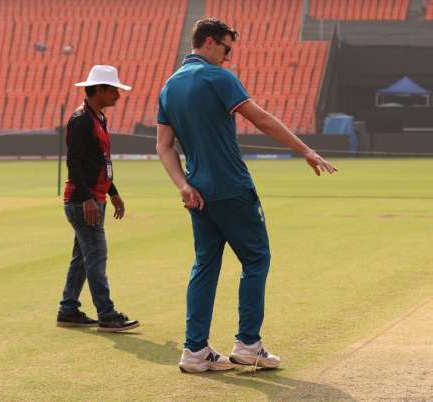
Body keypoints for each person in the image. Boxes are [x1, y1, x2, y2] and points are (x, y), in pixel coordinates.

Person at [156, 18, 338, 374]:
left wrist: (182, 184)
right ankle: (248, 345)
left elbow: (163, 146)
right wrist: (306, 150)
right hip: (231, 187)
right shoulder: (218, 78)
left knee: (204, 264)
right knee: (256, 259)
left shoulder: (169, 87)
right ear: (208, 43)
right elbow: (263, 120)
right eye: (226, 49)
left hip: (197, 190)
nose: (228, 57)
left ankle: (194, 351)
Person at [57, 65, 139, 332]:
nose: (117, 94)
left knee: (82, 257)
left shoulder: (97, 117)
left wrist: (113, 193)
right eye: (113, 89)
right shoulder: (81, 120)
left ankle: (68, 309)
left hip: (93, 197)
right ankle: (107, 313)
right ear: (100, 90)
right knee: (96, 256)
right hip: (85, 202)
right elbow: (74, 163)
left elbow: (100, 162)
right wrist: (88, 199)